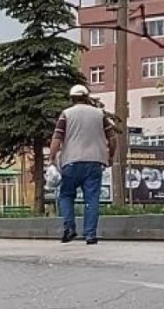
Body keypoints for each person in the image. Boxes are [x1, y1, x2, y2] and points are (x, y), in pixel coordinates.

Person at [48, 84, 116, 244]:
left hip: (70, 162)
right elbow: (112, 138)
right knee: (92, 199)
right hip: (95, 162)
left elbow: (57, 139)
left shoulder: (66, 114)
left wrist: (51, 159)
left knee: (65, 195)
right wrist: (110, 156)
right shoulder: (99, 115)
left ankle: (69, 227)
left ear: (72, 99)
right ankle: (90, 234)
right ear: (87, 97)